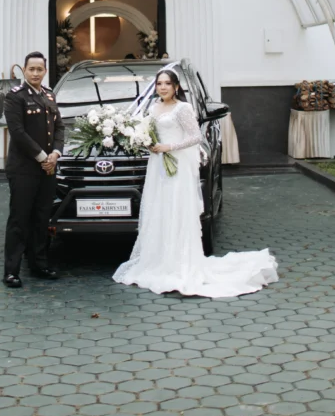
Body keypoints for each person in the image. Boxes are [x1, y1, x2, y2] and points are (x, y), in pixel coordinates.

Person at [113, 67, 278, 298]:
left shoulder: (183, 108)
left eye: (167, 84)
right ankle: (159, 260)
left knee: (176, 209)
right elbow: (149, 132)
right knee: (160, 210)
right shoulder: (153, 107)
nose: (162, 87)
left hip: (177, 166)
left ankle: (179, 262)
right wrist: (146, 142)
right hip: (158, 166)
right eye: (159, 84)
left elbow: (195, 137)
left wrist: (169, 147)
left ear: (176, 87)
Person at [2, 51, 64, 288]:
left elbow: (59, 128)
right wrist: (42, 157)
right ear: (25, 71)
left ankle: (39, 264)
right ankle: (11, 270)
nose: (36, 73)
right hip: (24, 169)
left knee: (41, 219)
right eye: (32, 69)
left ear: (45, 71)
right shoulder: (15, 96)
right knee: (19, 219)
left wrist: (56, 154)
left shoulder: (49, 94)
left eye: (40, 69)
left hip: (48, 168)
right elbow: (17, 133)